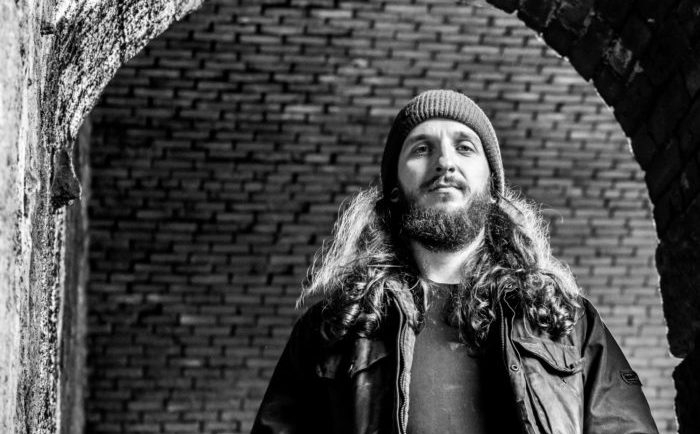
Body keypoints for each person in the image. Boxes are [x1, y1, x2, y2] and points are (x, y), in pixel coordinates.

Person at [251, 90, 659, 434]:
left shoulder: (568, 323)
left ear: (493, 188)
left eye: (465, 147)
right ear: (393, 189)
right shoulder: (331, 328)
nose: (445, 162)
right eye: (422, 148)